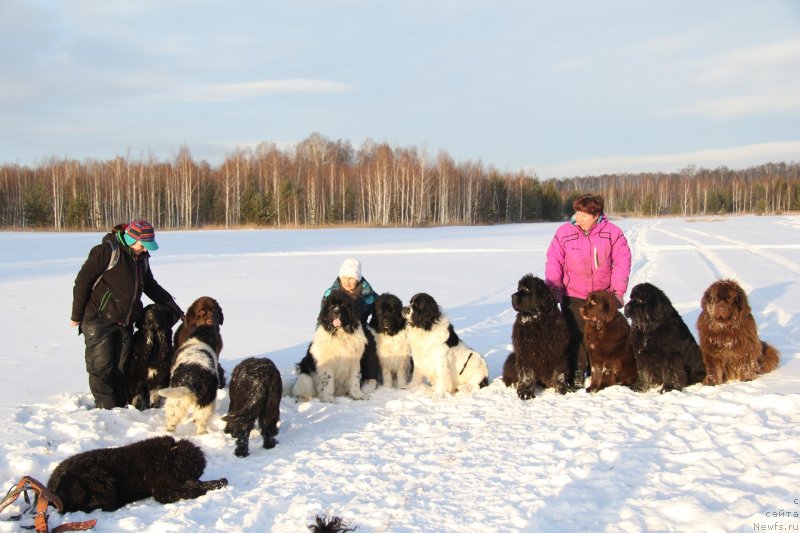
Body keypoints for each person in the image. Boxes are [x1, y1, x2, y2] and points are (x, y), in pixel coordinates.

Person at [71, 219, 183, 409]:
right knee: (101, 367)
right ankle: (106, 410)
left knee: (121, 367)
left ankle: (120, 408)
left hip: (125, 321)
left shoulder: (141, 259)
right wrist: (76, 315)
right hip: (98, 318)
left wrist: (174, 308)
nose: (145, 250)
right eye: (143, 245)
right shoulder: (107, 252)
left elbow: (150, 285)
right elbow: (82, 282)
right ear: (131, 239)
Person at [545, 194, 632, 389]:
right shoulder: (564, 232)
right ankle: (577, 370)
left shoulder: (613, 233)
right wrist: (554, 288)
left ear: (596, 215)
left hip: (601, 297)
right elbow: (553, 261)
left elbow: (622, 262)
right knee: (576, 334)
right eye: (577, 212)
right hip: (573, 293)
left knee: (602, 336)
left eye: (583, 214)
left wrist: (617, 292)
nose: (578, 217)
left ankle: (601, 372)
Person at [320, 257, 380, 393]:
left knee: (370, 342)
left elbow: (379, 310)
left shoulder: (368, 294)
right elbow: (322, 316)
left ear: (358, 279)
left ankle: (370, 379)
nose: (347, 281)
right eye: (344, 278)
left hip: (359, 328)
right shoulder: (330, 294)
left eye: (351, 278)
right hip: (334, 329)